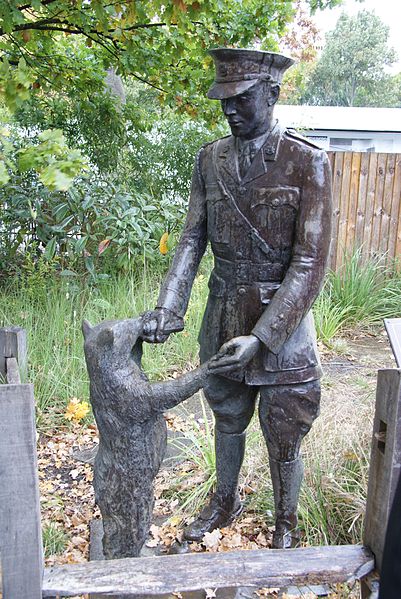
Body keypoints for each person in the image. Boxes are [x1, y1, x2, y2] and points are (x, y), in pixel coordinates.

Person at [142, 48, 332, 549]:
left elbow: (309, 264)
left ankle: (285, 522)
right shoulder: (209, 160)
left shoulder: (305, 161)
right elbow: (190, 239)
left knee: (285, 424)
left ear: (272, 93)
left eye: (242, 97)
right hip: (223, 313)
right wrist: (169, 306)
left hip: (282, 328)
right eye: (223, 98)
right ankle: (224, 499)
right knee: (227, 414)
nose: (229, 108)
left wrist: (264, 337)